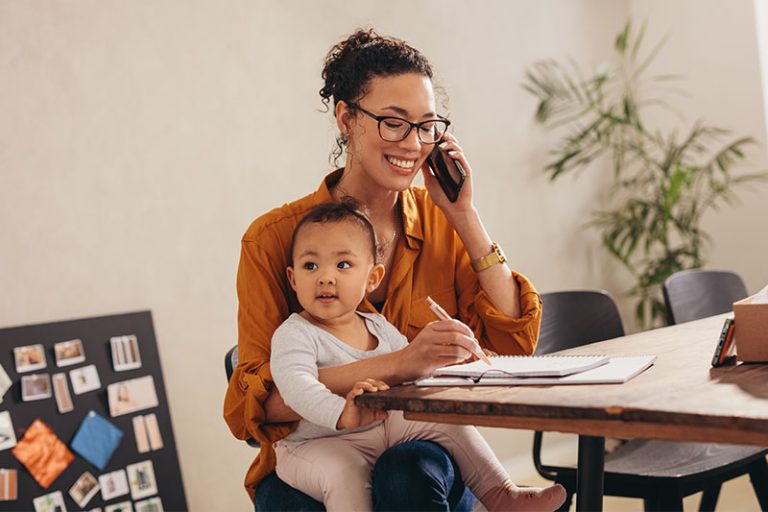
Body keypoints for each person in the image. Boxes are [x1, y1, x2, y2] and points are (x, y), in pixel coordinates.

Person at [223, 28, 544, 510]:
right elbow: (261, 405)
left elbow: (512, 345)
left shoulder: (443, 221)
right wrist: (398, 365)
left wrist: (465, 216)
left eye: (428, 125)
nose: (413, 143)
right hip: (317, 456)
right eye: (394, 123)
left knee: (407, 471)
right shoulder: (272, 240)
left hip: (418, 451)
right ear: (347, 119)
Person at [270, 201, 565, 512]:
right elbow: (295, 387)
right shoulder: (295, 334)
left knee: (443, 421)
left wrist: (449, 362)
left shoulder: (378, 326)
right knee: (345, 473)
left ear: (372, 279)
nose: (325, 277)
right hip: (315, 446)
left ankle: (502, 494)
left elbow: (414, 373)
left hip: (377, 430)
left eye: (343, 265)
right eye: (310, 266)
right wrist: (342, 414)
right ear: (292, 278)